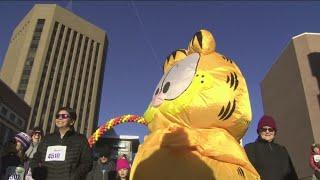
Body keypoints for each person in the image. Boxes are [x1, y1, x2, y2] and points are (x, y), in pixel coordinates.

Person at [30, 107, 93, 180]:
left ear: (72, 121)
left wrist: (74, 176)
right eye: (58, 116)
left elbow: (87, 162)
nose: (60, 118)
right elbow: (35, 159)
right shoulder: (47, 138)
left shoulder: (80, 139)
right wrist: (37, 173)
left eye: (64, 116)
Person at [244, 115, 298, 180]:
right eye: (264, 129)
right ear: (259, 131)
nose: (267, 131)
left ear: (274, 132)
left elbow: (291, 173)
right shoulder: (250, 148)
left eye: (270, 129)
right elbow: (246, 173)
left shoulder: (282, 150)